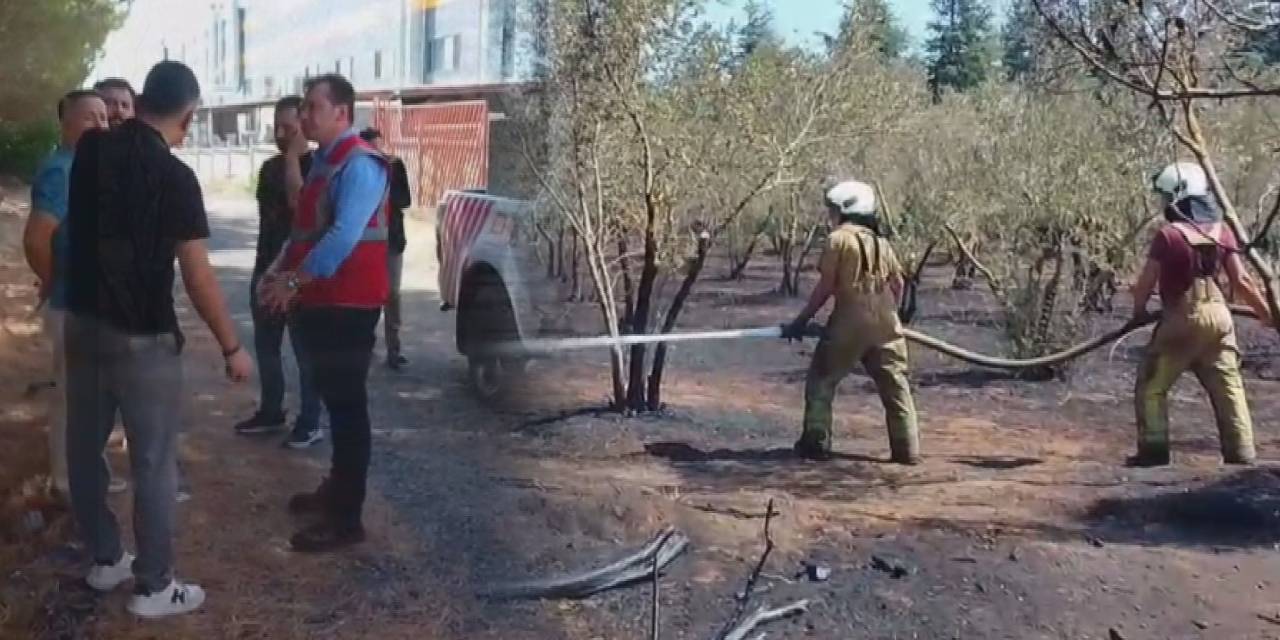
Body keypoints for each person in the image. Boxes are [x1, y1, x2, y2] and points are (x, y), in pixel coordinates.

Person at [64, 61, 252, 617]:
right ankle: (153, 586)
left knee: (83, 447)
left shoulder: (91, 150)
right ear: (189, 117)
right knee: (152, 464)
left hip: (83, 325)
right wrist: (231, 346)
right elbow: (197, 273)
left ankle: (105, 558)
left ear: (140, 99)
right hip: (143, 338)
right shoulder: (176, 179)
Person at [259, 74, 389, 552]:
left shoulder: (361, 164)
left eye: (313, 107)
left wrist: (291, 282)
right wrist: (276, 271)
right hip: (322, 302)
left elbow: (340, 239)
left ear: (341, 112)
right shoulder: (323, 163)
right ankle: (336, 490)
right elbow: (302, 232)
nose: (303, 115)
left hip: (349, 306)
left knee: (348, 410)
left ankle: (346, 519)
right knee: (335, 403)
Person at [1129, 162, 1274, 467]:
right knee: (1229, 387)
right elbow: (1242, 281)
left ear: (1175, 197)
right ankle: (1241, 451)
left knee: (1152, 386)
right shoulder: (1223, 232)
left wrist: (1138, 311)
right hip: (1220, 320)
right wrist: (1266, 314)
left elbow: (1145, 282)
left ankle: (1153, 452)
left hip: (1182, 321)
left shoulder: (1168, 235)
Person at [22, 90, 126, 497]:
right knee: (73, 400)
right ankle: (68, 484)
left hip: (89, 304)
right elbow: (36, 238)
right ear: (66, 123)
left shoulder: (86, 166)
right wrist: (53, 280)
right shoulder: (61, 171)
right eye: (90, 118)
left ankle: (87, 475)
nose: (101, 125)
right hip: (71, 304)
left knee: (91, 399)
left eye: (104, 118)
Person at [782, 180, 920, 465]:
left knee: (821, 381)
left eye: (832, 209)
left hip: (847, 326)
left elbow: (826, 287)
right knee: (896, 387)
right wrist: (892, 313)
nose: (830, 215)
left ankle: (815, 444)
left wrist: (801, 321)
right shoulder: (882, 243)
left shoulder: (837, 240)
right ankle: (907, 451)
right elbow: (898, 283)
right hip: (887, 326)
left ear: (844, 210)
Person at [234, 96, 326, 449]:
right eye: (278, 127)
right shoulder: (269, 169)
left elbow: (298, 206)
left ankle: (310, 421)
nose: (283, 134)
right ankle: (271, 410)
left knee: (305, 353)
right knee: (267, 346)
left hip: (301, 278)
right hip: (267, 268)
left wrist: (293, 158)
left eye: (290, 127)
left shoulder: (320, 167)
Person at [358, 127, 412, 369]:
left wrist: (387, 181)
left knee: (392, 295)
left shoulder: (394, 166)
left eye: (377, 146)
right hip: (364, 244)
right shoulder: (356, 170)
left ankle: (394, 350)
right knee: (366, 296)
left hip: (391, 240)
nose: (376, 151)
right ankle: (364, 348)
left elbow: (405, 201)